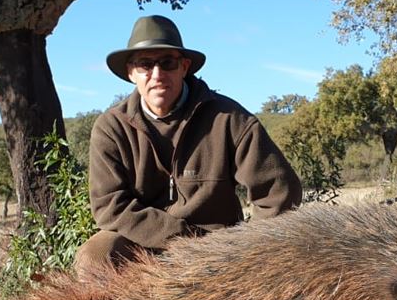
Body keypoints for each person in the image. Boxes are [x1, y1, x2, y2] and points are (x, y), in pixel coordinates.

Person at [75, 15, 302, 274]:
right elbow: (109, 207)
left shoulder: (229, 119)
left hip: (220, 246)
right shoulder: (111, 128)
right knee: (95, 257)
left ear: (184, 67)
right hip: (144, 241)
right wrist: (183, 240)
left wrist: (249, 247)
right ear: (131, 73)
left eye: (167, 63)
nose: (157, 74)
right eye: (145, 65)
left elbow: (279, 190)